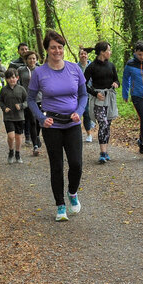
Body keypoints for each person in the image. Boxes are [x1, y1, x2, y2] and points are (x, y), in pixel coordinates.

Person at [27, 30, 88, 221]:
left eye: (60, 47)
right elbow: (30, 99)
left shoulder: (74, 69)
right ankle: (60, 206)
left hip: (72, 123)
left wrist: (79, 112)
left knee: (76, 164)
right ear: (46, 49)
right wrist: (40, 118)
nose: (57, 51)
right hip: (51, 125)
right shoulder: (39, 72)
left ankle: (72, 193)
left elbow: (84, 95)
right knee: (56, 166)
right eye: (53, 47)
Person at [84, 41, 120, 164]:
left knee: (107, 125)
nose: (110, 52)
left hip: (109, 98)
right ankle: (102, 153)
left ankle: (105, 151)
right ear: (102, 52)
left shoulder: (111, 65)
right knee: (103, 123)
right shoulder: (92, 67)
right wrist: (95, 93)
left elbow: (117, 80)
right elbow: (82, 85)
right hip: (98, 99)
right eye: (108, 50)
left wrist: (116, 84)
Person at [0, 67, 28, 164]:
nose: (12, 79)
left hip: (19, 117)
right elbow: (0, 101)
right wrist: (4, 108)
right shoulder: (3, 90)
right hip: (8, 117)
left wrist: (21, 106)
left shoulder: (21, 89)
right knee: (11, 136)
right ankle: (11, 151)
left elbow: (27, 101)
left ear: (17, 78)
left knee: (18, 137)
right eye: (9, 78)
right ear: (6, 79)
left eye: (14, 77)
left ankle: (18, 153)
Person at [18, 50, 42, 156]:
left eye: (34, 58)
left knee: (39, 121)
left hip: (40, 98)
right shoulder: (20, 70)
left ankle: (36, 136)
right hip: (28, 100)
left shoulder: (41, 70)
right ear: (26, 60)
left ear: (36, 60)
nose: (32, 60)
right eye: (29, 58)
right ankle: (35, 145)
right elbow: (18, 84)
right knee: (32, 121)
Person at [78, 47, 97, 142]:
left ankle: (92, 121)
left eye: (85, 54)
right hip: (81, 94)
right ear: (79, 56)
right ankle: (89, 134)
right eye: (81, 54)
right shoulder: (76, 67)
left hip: (93, 93)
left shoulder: (93, 66)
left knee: (93, 112)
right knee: (86, 113)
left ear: (87, 55)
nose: (83, 55)